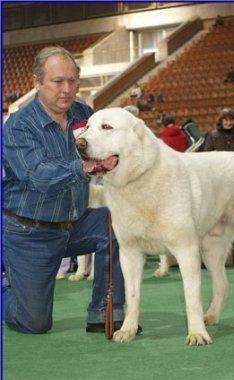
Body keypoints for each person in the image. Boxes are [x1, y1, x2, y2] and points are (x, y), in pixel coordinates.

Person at [3, 46, 127, 334]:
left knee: (118, 224)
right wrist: (83, 166)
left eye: (73, 81)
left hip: (75, 222)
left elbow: (108, 144)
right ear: (36, 83)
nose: (67, 89)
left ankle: (104, 312)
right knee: (33, 323)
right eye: (58, 81)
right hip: (29, 233)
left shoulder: (85, 114)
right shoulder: (19, 126)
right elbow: (37, 176)